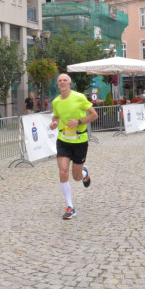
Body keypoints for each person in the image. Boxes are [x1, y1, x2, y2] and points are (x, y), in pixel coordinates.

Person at [48, 73, 99, 220]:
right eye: (60, 81)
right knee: (63, 171)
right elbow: (56, 117)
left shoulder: (79, 97)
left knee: (76, 177)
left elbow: (94, 115)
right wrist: (54, 123)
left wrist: (79, 122)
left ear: (69, 84)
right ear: (58, 84)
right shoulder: (56, 101)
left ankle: (83, 173)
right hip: (63, 140)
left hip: (79, 141)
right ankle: (70, 206)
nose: (62, 82)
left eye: (65, 80)